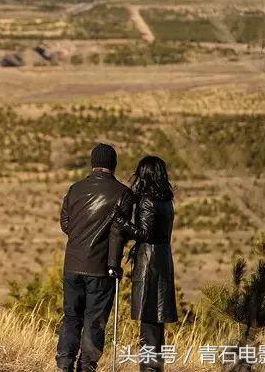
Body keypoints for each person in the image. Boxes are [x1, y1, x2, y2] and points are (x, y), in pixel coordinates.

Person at [56, 143, 132, 372]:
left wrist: (80, 238)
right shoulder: (122, 193)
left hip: (72, 264)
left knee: (71, 317)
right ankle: (86, 366)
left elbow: (65, 223)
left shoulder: (75, 189)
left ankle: (63, 363)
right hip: (100, 268)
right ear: (113, 164)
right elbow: (119, 232)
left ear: (93, 163)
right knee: (94, 321)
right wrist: (114, 264)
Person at [109, 155, 178, 372]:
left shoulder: (148, 200)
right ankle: (155, 367)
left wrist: (121, 220)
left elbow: (144, 233)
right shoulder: (167, 200)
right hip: (163, 260)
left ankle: (148, 369)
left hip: (149, 263)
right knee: (156, 324)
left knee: (148, 321)